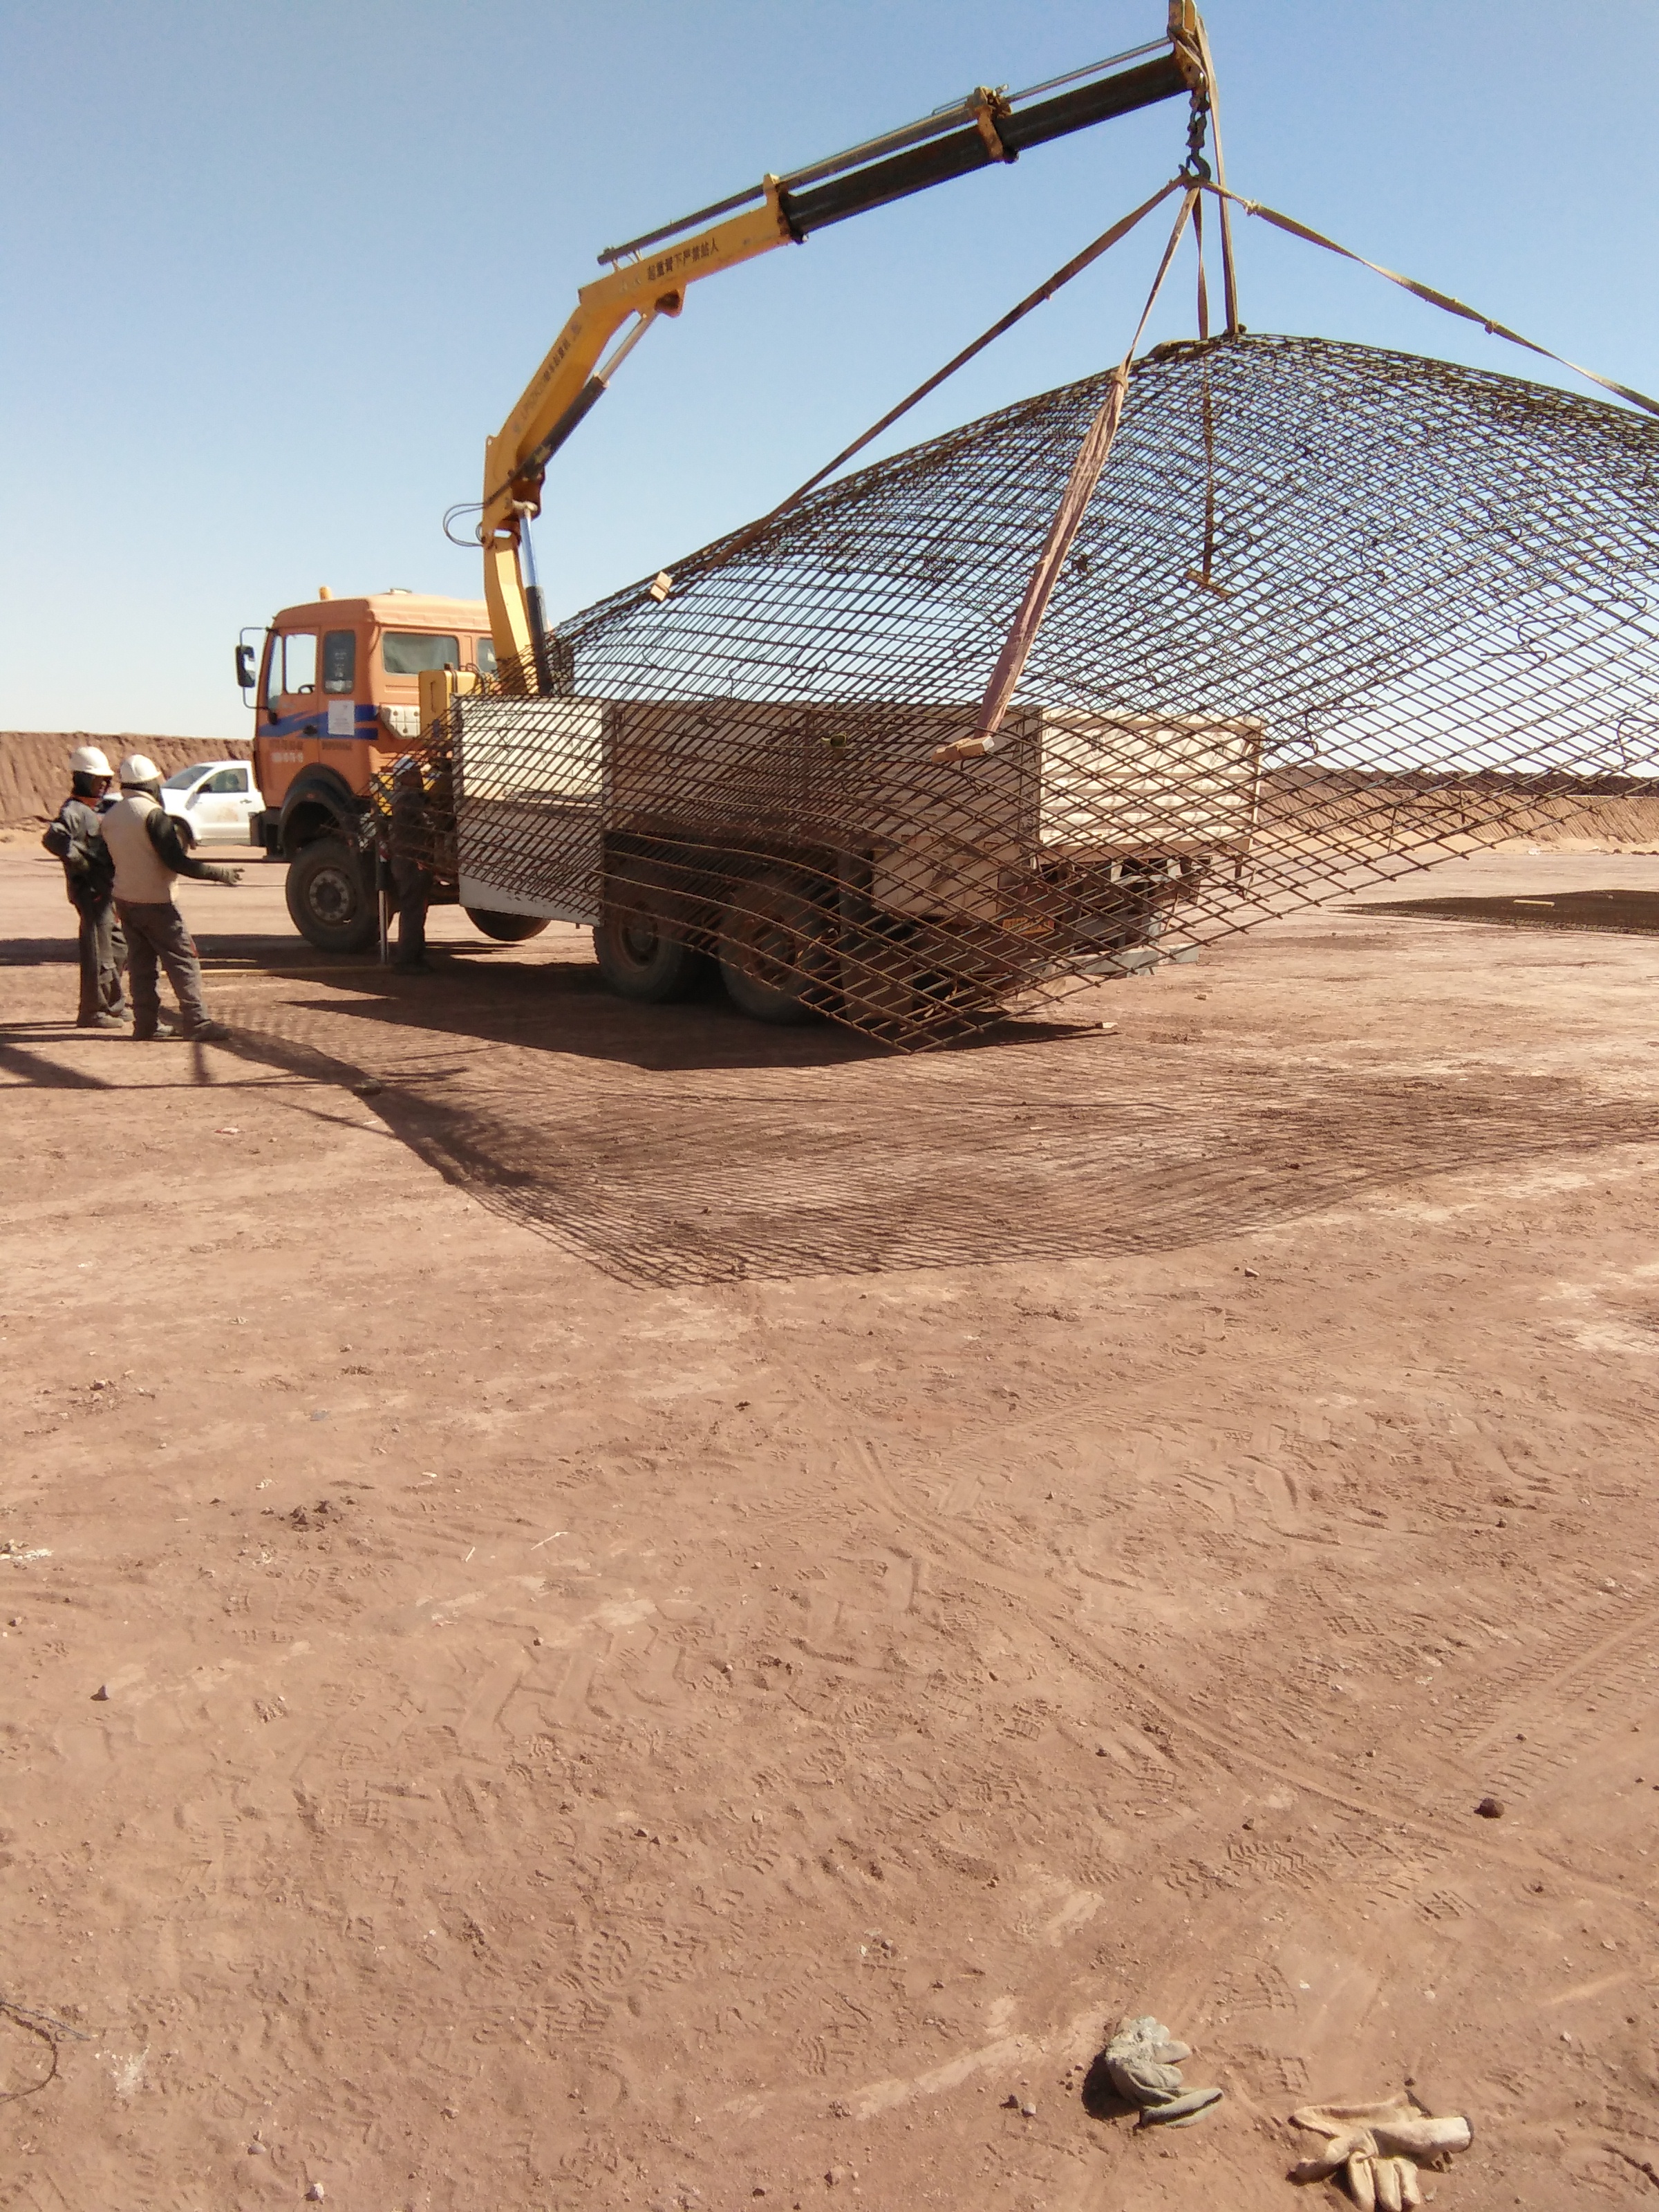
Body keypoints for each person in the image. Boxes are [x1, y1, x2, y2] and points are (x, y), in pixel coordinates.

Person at [100, 754, 242, 1042]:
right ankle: (198, 1022)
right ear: (150, 784)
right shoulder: (153, 815)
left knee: (141, 966)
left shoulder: (112, 816)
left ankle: (146, 1024)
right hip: (157, 903)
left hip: (126, 900)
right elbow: (177, 861)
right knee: (183, 962)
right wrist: (219, 873)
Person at [41, 744, 126, 1028]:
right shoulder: (74, 811)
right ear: (81, 778)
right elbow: (53, 839)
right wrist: (80, 863)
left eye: (105, 780)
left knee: (118, 947)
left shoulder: (96, 810)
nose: (102, 785)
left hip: (107, 893)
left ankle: (113, 1004)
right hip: (91, 895)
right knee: (98, 953)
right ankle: (93, 1011)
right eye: (97, 779)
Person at [386, 753, 433, 974]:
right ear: (404, 777)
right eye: (414, 774)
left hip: (405, 861)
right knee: (413, 911)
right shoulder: (410, 799)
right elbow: (429, 824)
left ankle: (415, 957)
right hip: (412, 862)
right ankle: (407, 961)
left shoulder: (399, 798)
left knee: (415, 910)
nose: (419, 777)